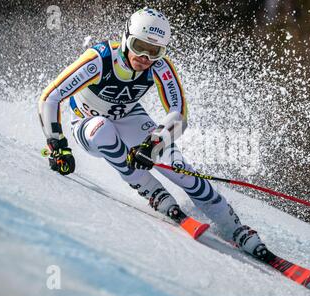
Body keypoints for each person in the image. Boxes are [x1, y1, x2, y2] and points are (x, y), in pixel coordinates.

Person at [38, 8, 268, 259]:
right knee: (102, 129)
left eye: (155, 51)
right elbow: (51, 97)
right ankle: (152, 191)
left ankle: (234, 227)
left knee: (178, 168)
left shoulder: (160, 68)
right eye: (139, 46)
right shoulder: (100, 59)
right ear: (126, 38)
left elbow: (179, 115)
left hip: (130, 118)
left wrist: (152, 144)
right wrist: (57, 145)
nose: (146, 57)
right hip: (87, 122)